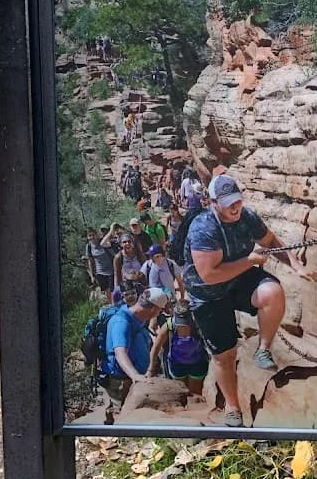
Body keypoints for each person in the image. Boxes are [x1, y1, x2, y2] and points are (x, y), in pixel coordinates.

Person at [182, 174, 302, 427]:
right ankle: (233, 407)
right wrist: (249, 261)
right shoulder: (203, 228)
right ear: (212, 202)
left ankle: (263, 350)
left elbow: (269, 241)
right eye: (228, 203)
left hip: (237, 281)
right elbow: (210, 274)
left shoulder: (247, 216)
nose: (234, 207)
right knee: (224, 355)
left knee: (272, 292)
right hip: (208, 294)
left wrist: (294, 264)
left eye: (237, 200)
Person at [102, 287, 168, 402]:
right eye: (160, 310)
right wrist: (135, 375)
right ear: (153, 309)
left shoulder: (138, 318)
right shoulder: (122, 322)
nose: (159, 313)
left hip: (136, 377)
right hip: (122, 381)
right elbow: (120, 352)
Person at [147, 301, 208, 397]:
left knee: (195, 393)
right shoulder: (169, 325)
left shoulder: (198, 323)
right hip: (177, 364)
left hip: (197, 363)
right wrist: (151, 368)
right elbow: (156, 348)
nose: (182, 325)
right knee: (181, 392)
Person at [84, 228, 114, 304]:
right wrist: (92, 276)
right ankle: (112, 306)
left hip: (111, 270)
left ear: (96, 235)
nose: (92, 237)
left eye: (93, 235)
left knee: (113, 289)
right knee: (107, 290)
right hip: (100, 272)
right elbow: (90, 261)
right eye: (89, 236)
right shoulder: (89, 247)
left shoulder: (102, 242)